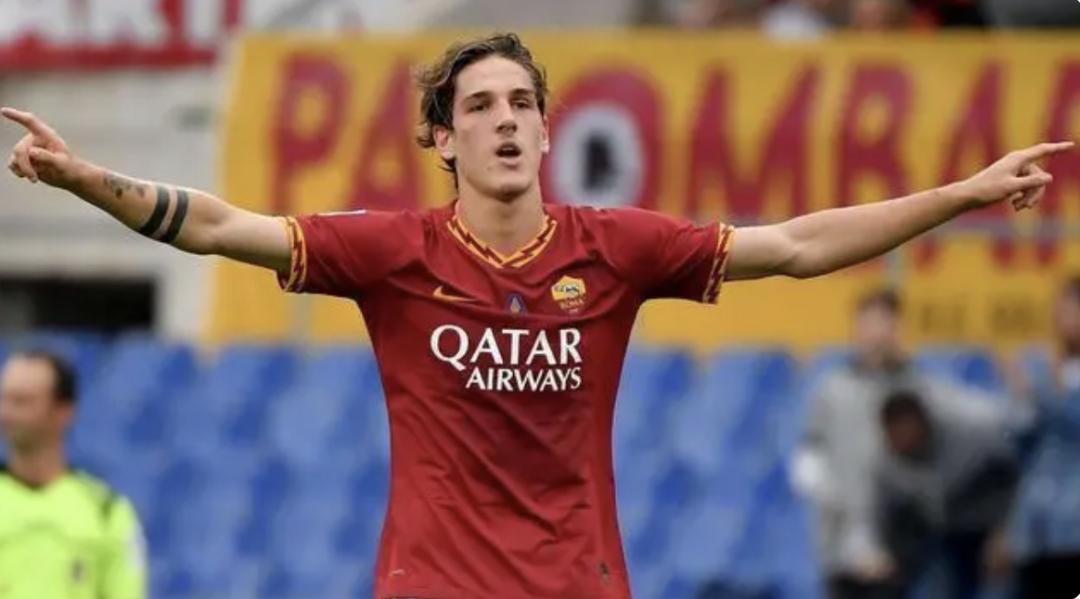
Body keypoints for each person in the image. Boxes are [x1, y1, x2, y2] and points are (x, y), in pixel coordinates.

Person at [1, 31, 1070, 599]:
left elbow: (795, 245)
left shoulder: (616, 247)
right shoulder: (394, 252)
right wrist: (88, 179)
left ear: (548, 130)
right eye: (480, 105)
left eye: (522, 103)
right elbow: (216, 225)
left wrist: (962, 193)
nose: (505, 120)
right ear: (444, 140)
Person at [794, 289, 1007, 599]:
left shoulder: (920, 388)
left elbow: (980, 420)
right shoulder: (832, 391)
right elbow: (809, 461)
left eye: (885, 324)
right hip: (843, 544)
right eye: (870, 324)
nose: (877, 335)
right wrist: (836, 508)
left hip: (907, 544)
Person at [0, 349, 147, 599]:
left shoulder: (106, 511)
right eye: (4, 399)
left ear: (63, 411)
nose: (6, 413)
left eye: (22, 401)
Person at [875, 389, 1016, 599]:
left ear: (922, 423)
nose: (901, 439)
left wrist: (1005, 533)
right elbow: (896, 530)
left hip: (990, 535)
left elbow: (1014, 486)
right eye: (893, 433)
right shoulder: (888, 468)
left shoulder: (973, 443)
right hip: (943, 544)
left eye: (905, 429)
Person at [1000, 277, 1080, 599]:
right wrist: (1021, 397)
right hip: (1037, 527)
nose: (1065, 319)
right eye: (1061, 310)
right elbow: (1016, 440)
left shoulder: (1048, 378)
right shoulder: (1037, 365)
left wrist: (1052, 395)